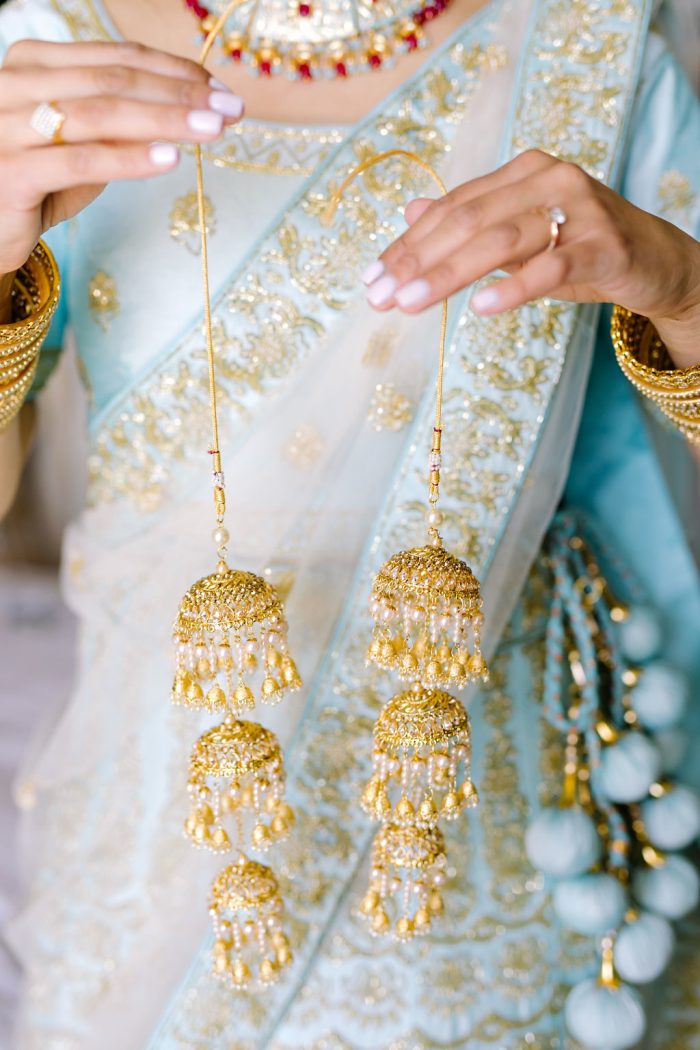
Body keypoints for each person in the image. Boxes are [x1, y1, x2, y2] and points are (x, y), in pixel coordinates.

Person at [0, 0, 699, 1048]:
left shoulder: (587, 41)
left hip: (518, 868)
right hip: (160, 863)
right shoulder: (49, 51)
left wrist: (682, 291)